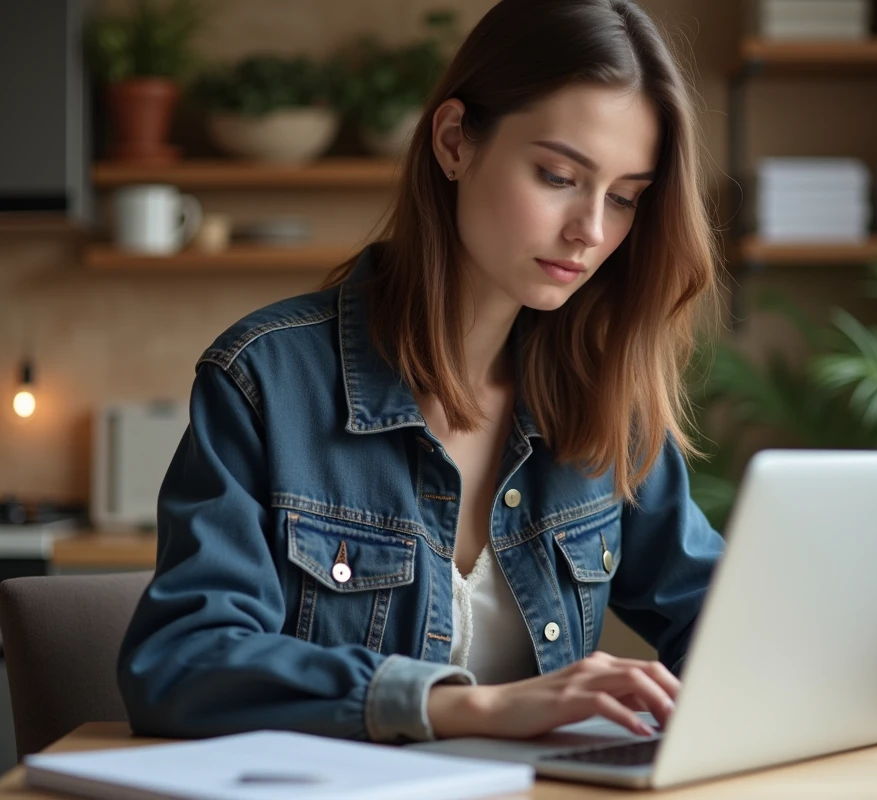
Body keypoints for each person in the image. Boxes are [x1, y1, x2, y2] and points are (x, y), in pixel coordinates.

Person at [117, 0, 725, 745]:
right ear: (454, 143)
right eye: (558, 175)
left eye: (626, 197)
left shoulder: (604, 396)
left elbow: (723, 620)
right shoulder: (266, 382)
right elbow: (181, 663)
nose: (592, 231)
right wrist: (470, 706)